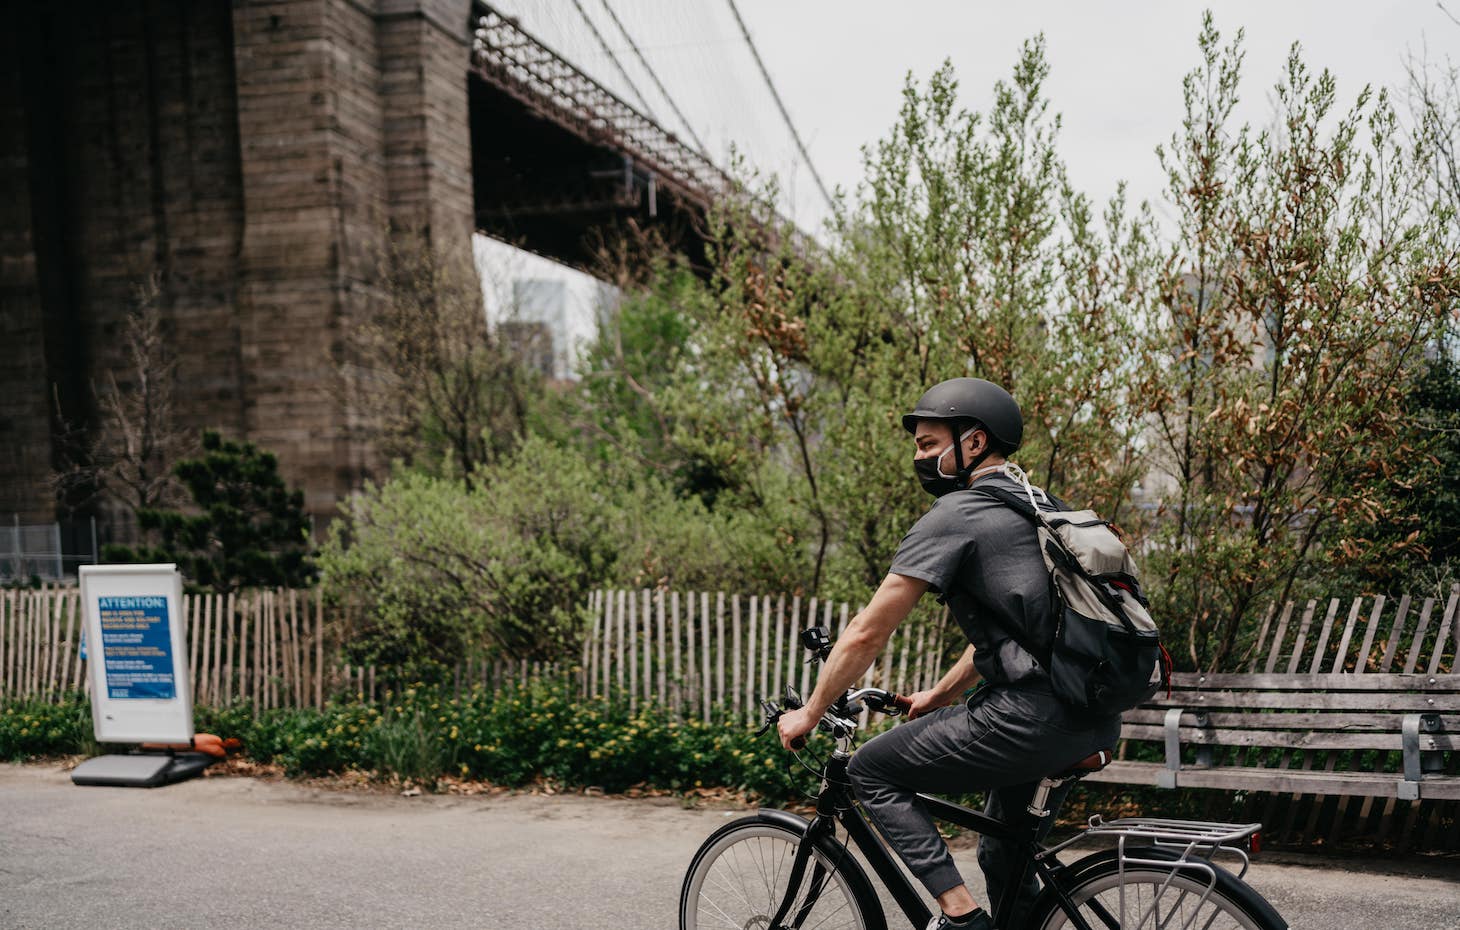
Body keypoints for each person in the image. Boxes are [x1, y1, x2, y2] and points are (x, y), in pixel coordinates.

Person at [777, 377, 1122, 930]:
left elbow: (867, 632)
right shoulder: (1039, 507)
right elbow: (1018, 633)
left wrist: (811, 711)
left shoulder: (958, 513)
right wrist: (939, 695)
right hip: (1093, 719)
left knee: (871, 771)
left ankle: (961, 917)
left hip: (1029, 718)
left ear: (975, 442)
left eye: (928, 444)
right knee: (1002, 854)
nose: (918, 457)